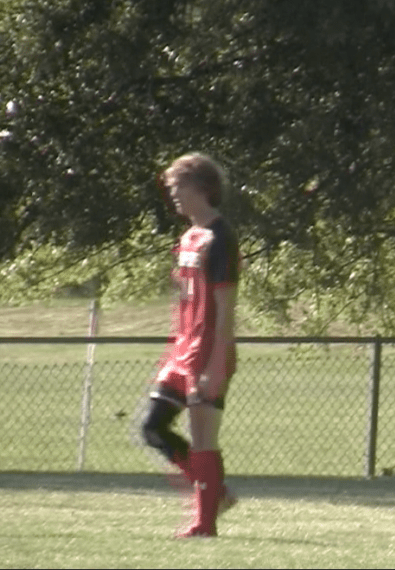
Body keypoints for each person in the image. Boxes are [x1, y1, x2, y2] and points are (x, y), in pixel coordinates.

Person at [140, 153, 241, 537]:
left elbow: (225, 307)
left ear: (201, 187)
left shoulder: (220, 238)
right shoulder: (188, 237)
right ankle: (217, 494)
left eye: (177, 186)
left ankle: (205, 522)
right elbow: (186, 300)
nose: (172, 194)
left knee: (202, 438)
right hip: (182, 350)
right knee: (153, 428)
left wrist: (216, 363)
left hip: (207, 351)